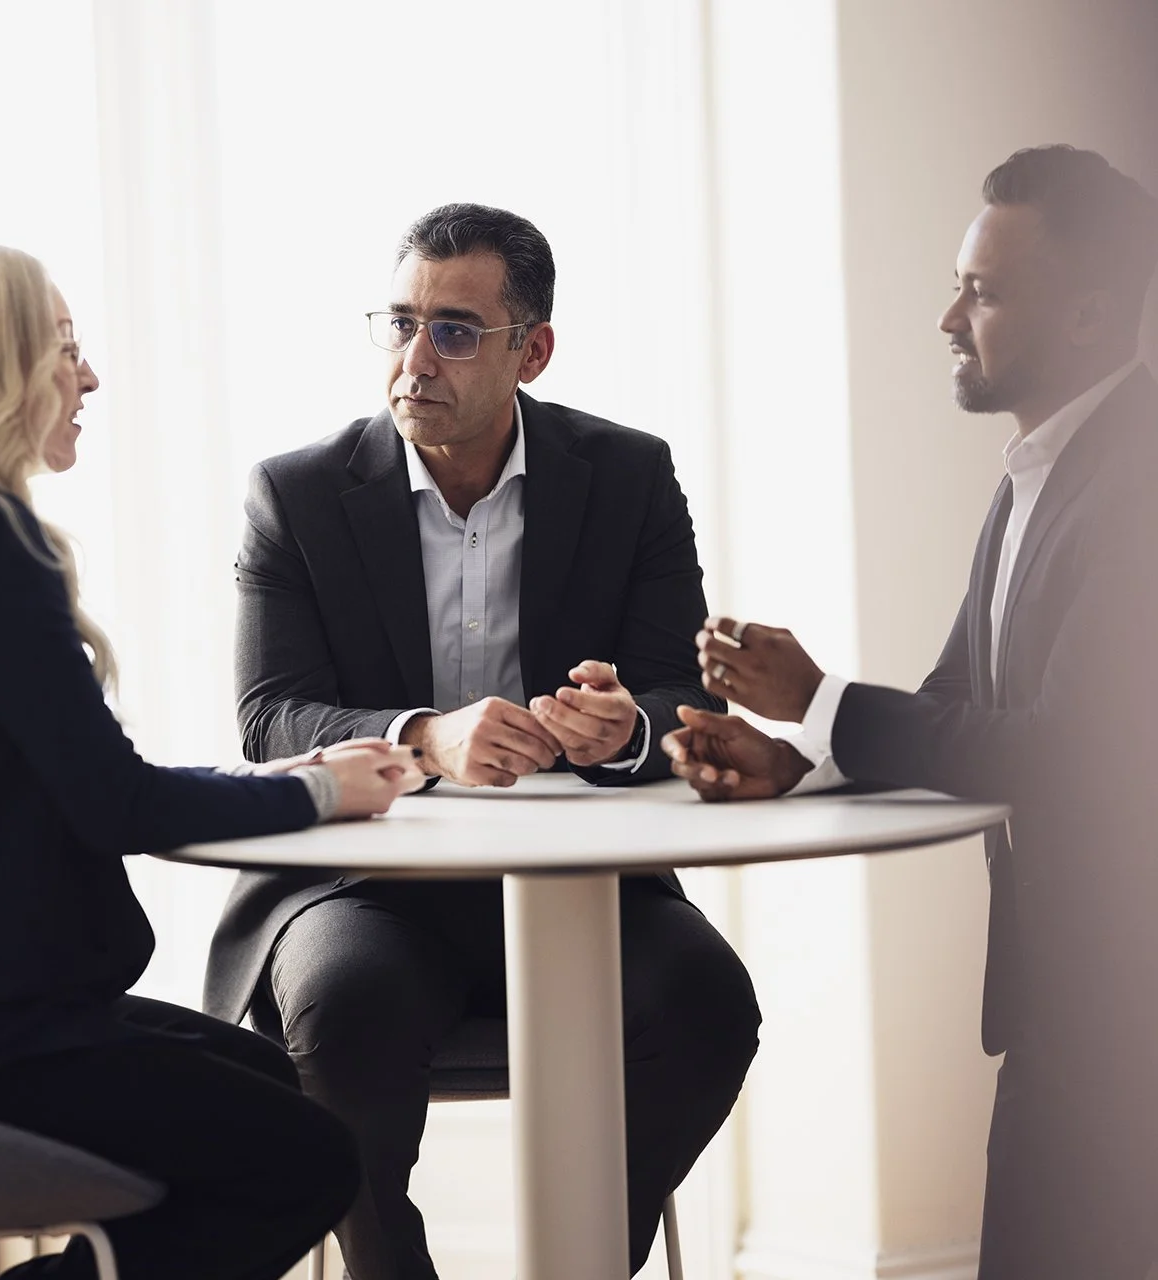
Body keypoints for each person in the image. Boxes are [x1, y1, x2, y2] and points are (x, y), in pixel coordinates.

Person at [0, 244, 423, 1280]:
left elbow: (72, 780)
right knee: (309, 1157)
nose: (90, 377)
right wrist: (319, 791)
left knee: (280, 1088)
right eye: (64, 348)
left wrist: (301, 782)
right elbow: (115, 802)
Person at [204, 204, 761, 1280]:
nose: (415, 359)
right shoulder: (298, 493)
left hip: (588, 886)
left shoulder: (628, 474)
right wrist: (423, 735)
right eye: (401, 322)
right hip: (362, 888)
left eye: (454, 329)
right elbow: (271, 717)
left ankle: (585, 1256)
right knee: (344, 1010)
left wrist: (623, 727)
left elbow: (685, 693)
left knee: (708, 1003)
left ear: (532, 349)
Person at [663, 147, 1158, 1278]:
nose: (948, 315)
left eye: (984, 292)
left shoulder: (1153, 482)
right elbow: (956, 702)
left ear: (1087, 314)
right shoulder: (1038, 467)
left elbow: (1064, 752)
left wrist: (822, 700)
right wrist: (798, 753)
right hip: (1063, 1000)